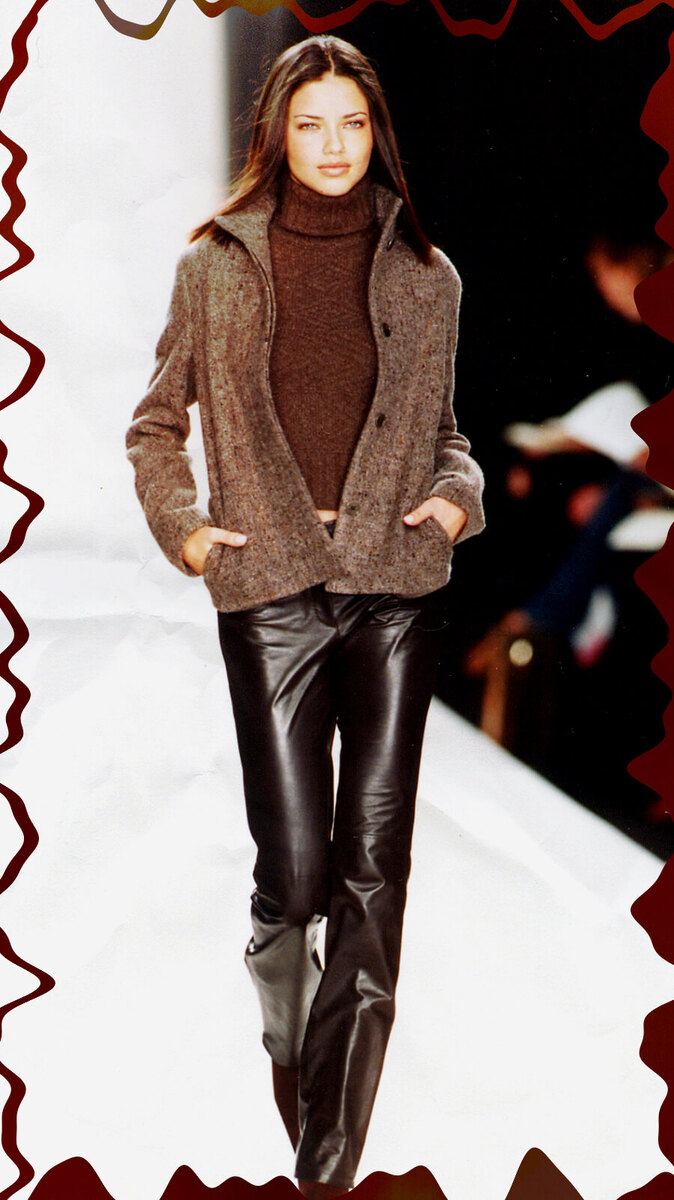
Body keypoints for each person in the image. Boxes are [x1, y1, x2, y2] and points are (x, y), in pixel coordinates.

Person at [126, 35, 484, 1198]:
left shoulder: (426, 277)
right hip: (271, 588)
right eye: (311, 123)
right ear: (276, 133)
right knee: (292, 879)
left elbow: (444, 435)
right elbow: (154, 424)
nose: (334, 146)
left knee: (373, 872)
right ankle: (292, 1043)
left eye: (353, 124)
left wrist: (455, 498)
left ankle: (326, 1164)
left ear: (378, 132)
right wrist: (188, 530)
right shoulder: (215, 267)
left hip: (393, 589)